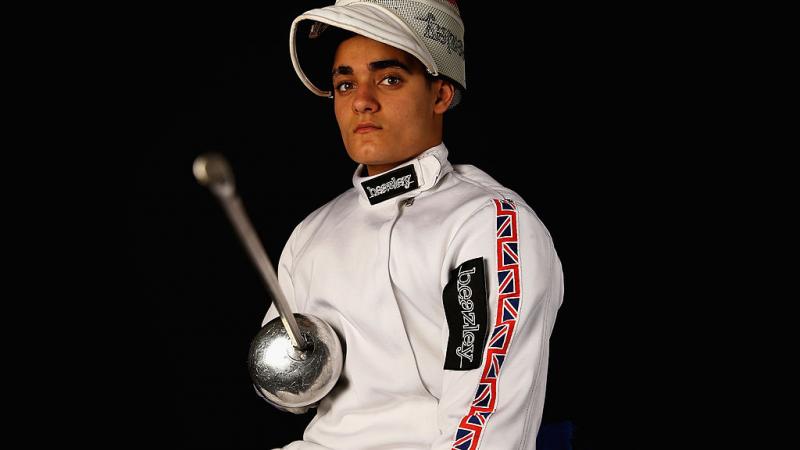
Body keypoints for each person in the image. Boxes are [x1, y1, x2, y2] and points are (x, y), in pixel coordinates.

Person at [259, 1, 564, 449]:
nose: (361, 100)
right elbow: (290, 398)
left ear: (440, 94)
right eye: (345, 84)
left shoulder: (486, 224)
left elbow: (485, 422)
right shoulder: (311, 233)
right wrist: (290, 366)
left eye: (389, 79)